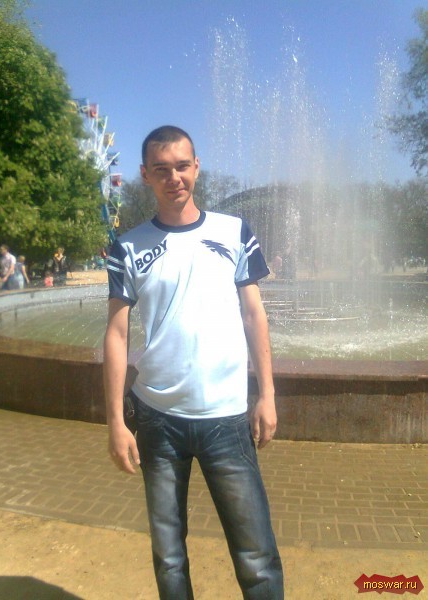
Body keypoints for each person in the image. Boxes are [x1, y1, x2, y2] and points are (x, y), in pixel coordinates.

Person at [104, 126, 284, 599]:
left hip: (227, 417)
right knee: (169, 558)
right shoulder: (127, 247)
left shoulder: (233, 231)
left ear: (197, 167)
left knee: (257, 558)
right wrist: (115, 422)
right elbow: (117, 334)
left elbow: (254, 315)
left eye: (182, 166)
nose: (174, 178)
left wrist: (267, 395)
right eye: (161, 169)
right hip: (157, 420)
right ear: (145, 175)